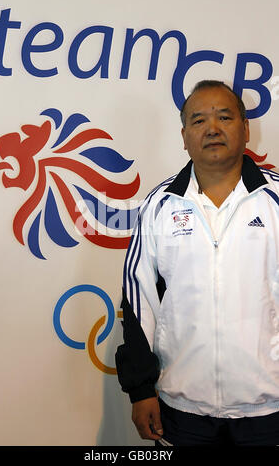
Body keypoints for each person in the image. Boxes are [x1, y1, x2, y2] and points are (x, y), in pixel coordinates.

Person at [115, 80, 279, 446]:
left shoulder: (275, 200)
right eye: (199, 120)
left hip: (269, 408)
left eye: (225, 117)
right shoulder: (159, 206)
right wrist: (141, 390)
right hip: (182, 407)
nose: (213, 129)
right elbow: (138, 303)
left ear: (246, 128)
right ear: (184, 134)